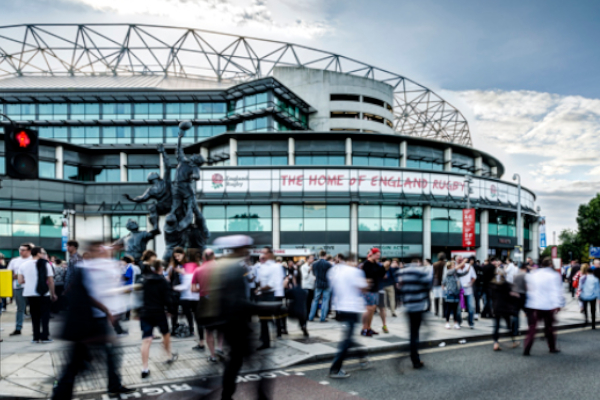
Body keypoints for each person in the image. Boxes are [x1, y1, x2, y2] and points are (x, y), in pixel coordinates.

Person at [328, 253, 369, 379]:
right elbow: (363, 288)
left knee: (349, 336)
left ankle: (362, 356)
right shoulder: (354, 272)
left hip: (339, 308)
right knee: (346, 340)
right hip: (352, 308)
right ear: (352, 260)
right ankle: (335, 369)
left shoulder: (333, 271)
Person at [140, 259, 177, 379]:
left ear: (152, 268)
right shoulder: (163, 281)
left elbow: (140, 297)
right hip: (159, 312)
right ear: (160, 269)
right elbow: (168, 299)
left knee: (146, 340)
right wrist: (171, 311)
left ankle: (144, 368)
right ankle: (168, 355)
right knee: (166, 334)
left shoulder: (144, 280)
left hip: (146, 312)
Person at [523, 257, 565, 356]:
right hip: (548, 305)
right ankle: (552, 347)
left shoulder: (534, 274)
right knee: (549, 327)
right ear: (551, 265)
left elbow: (529, 289)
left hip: (534, 305)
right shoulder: (554, 275)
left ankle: (527, 348)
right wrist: (559, 304)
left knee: (532, 328)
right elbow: (557, 291)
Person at [396, 258, 433, 369]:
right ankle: (414, 359)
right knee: (417, 334)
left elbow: (399, 288)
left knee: (413, 333)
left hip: (408, 307)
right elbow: (428, 286)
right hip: (418, 306)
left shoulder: (402, 272)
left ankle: (414, 356)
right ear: (417, 261)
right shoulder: (420, 272)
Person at [192, 249, 225, 362]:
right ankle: (219, 347)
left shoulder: (198, 270)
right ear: (214, 256)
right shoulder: (221, 268)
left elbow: (193, 289)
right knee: (221, 327)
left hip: (205, 301)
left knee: (208, 330)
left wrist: (202, 288)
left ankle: (212, 356)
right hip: (220, 300)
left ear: (204, 257)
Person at [18, 247, 57, 343]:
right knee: (45, 315)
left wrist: (30, 280)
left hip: (30, 293)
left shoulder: (23, 265)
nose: (44, 254)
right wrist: (53, 293)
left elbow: (20, 281)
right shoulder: (46, 264)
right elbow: (51, 281)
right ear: (38, 253)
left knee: (34, 315)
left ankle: (35, 337)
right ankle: (45, 336)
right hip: (44, 293)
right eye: (43, 252)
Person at [256, 246, 285, 350]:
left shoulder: (275, 266)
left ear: (270, 254)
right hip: (262, 294)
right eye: (262, 253)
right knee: (263, 319)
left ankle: (273, 336)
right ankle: (265, 340)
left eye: (265, 253)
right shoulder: (262, 266)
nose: (263, 255)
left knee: (268, 317)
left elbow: (272, 283)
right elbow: (259, 279)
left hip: (270, 295)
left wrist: (260, 289)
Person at [490, 266, 519, 351]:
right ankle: (513, 342)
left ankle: (496, 343)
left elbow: (491, 296)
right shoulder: (506, 284)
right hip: (505, 308)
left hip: (496, 307)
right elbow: (510, 296)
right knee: (509, 326)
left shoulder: (492, 284)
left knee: (496, 326)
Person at [7, 243, 33, 336]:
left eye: (23, 250)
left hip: (31, 288)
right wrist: (16, 276)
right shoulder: (14, 261)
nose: (20, 251)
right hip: (18, 288)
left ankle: (35, 329)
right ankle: (18, 328)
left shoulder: (33, 260)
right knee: (20, 309)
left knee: (34, 308)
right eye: (20, 249)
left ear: (29, 251)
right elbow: (8, 274)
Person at [361, 248, 385, 336]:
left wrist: (383, 266)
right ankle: (364, 328)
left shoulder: (376, 264)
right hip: (368, 290)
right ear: (372, 254)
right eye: (377, 255)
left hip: (375, 289)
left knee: (372, 309)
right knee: (368, 309)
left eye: (379, 255)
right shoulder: (367, 264)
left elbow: (381, 275)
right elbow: (370, 274)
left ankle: (368, 328)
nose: (378, 256)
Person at [308, 250, 333, 322]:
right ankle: (322, 318)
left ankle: (311, 317)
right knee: (325, 301)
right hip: (326, 284)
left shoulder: (314, 264)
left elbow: (313, 274)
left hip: (318, 284)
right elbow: (331, 274)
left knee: (315, 300)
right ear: (325, 255)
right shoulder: (328, 264)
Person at [166, 247, 186, 335]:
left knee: (187, 312)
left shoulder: (186, 265)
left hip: (184, 291)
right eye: (175, 256)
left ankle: (189, 328)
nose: (177, 258)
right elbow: (167, 278)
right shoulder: (172, 266)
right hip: (174, 292)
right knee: (174, 311)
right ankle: (174, 327)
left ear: (183, 254)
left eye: (178, 255)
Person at [456, 255, 477, 329]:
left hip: (468, 290)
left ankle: (471, 322)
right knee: (458, 309)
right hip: (458, 291)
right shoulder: (455, 268)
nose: (460, 261)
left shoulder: (469, 267)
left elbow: (474, 277)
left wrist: (470, 283)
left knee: (471, 307)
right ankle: (458, 322)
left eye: (462, 260)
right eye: (459, 260)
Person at [578, 263, 600, 329]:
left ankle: (586, 321)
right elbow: (597, 289)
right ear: (593, 272)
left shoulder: (582, 278)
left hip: (584, 296)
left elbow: (580, 287)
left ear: (587, 272)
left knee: (585, 309)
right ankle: (593, 324)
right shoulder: (596, 279)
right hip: (593, 297)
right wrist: (599, 298)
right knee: (593, 310)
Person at [442, 261, 462, 329]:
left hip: (456, 293)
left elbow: (464, 273)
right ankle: (447, 322)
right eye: (453, 265)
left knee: (455, 309)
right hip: (450, 293)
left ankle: (455, 323)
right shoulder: (448, 272)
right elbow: (443, 283)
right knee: (449, 308)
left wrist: (469, 266)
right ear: (450, 266)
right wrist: (446, 290)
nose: (455, 266)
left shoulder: (455, 274)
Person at [432, 252, 447, 317]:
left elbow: (432, 274)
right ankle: (444, 313)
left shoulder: (434, 264)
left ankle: (436, 311)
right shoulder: (445, 264)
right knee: (443, 298)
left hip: (436, 282)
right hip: (443, 282)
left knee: (436, 297)